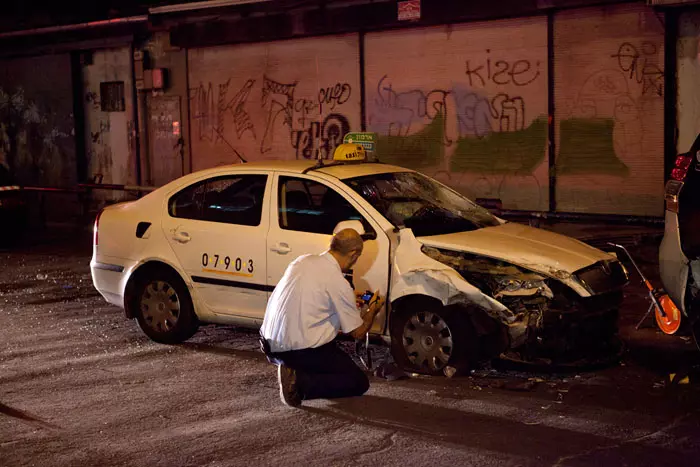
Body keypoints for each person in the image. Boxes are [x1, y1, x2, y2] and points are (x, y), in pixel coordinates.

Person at [260, 228, 385, 407]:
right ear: (354, 254)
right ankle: (299, 384)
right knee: (358, 382)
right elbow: (357, 332)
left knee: (332, 354)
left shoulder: (301, 261)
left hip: (269, 344)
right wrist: (373, 309)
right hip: (299, 351)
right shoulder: (338, 282)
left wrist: (348, 298)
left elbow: (314, 296)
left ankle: (293, 369)